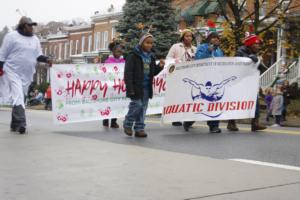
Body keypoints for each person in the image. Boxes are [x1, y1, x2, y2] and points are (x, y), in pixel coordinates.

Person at [0, 16, 52, 134]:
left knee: (20, 97)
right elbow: (2, 54)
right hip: (12, 71)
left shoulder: (35, 39)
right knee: (18, 95)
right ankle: (21, 124)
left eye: (33, 25)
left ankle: (14, 124)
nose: (32, 28)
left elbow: (38, 55)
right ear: (23, 26)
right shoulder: (11, 37)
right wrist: (0, 67)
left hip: (27, 74)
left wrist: (47, 59)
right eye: (29, 25)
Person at [123, 33, 165, 138]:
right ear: (141, 42)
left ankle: (139, 129)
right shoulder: (133, 55)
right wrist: (130, 88)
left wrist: (159, 67)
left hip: (146, 87)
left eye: (151, 43)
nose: (149, 45)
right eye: (147, 43)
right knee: (137, 105)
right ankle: (127, 123)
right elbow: (128, 73)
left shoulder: (151, 56)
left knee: (143, 108)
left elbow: (153, 72)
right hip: (136, 87)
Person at [227, 34, 267, 132]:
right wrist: (249, 58)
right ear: (249, 44)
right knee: (236, 102)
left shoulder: (255, 54)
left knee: (255, 100)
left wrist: (260, 65)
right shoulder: (240, 51)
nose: (258, 46)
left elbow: (258, 67)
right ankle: (231, 123)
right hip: (239, 82)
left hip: (249, 82)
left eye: (258, 44)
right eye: (256, 44)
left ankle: (255, 123)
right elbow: (239, 62)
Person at [191, 32, 223, 133]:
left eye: (217, 38)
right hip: (203, 79)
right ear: (209, 39)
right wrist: (208, 52)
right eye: (213, 37)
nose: (215, 39)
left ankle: (214, 125)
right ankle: (189, 120)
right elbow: (198, 59)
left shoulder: (219, 51)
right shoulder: (202, 47)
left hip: (215, 79)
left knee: (214, 103)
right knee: (200, 102)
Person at [166, 29, 196, 127]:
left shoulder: (194, 49)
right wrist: (177, 61)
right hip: (178, 76)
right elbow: (168, 59)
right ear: (183, 37)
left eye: (190, 36)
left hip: (190, 76)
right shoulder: (176, 47)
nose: (189, 38)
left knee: (188, 98)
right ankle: (176, 118)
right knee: (178, 98)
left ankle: (187, 119)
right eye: (187, 36)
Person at [102, 41, 125, 128]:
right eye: (118, 51)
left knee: (116, 104)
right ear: (113, 51)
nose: (120, 53)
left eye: (121, 51)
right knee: (108, 104)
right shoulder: (108, 61)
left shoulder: (123, 61)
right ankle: (105, 120)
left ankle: (113, 121)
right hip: (109, 86)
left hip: (119, 87)